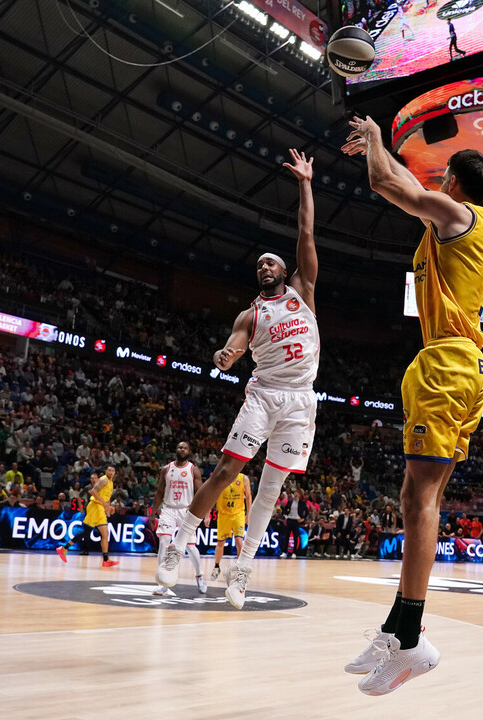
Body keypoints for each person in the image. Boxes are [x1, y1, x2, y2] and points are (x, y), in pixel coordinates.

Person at [342, 116, 483, 694]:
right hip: (448, 364)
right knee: (414, 495)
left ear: (453, 181)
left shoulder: (462, 216)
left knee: (421, 496)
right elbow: (406, 182)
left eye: (442, 177)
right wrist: (387, 156)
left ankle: (411, 640)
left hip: (449, 365)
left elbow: (391, 186)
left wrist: (377, 141)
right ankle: (397, 627)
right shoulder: (448, 220)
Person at [157, 150, 321, 610]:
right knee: (228, 471)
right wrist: (226, 354)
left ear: (284, 272)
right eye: (259, 266)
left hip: (301, 401)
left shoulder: (304, 292)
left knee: (270, 492)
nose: (264, 267)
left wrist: (305, 184)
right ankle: (178, 544)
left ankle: (242, 570)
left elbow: (306, 232)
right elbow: (233, 343)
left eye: (271, 263)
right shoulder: (250, 313)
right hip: (265, 395)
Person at [153, 443, 207, 595]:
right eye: (179, 447)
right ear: (176, 450)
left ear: (189, 452)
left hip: (186, 510)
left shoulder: (193, 470)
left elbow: (202, 493)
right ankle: (162, 581)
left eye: (185, 448)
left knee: (190, 546)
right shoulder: (166, 469)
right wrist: (152, 513)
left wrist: (206, 513)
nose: (181, 449)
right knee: (163, 541)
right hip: (168, 508)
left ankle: (200, 574)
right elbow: (159, 492)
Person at [56, 467, 120, 568]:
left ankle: (106, 560)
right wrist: (104, 503)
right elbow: (93, 491)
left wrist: (108, 508)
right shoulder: (103, 480)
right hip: (94, 506)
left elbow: (106, 498)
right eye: (109, 470)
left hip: (100, 508)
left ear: (115, 473)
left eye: (113, 471)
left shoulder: (111, 483)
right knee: (87, 532)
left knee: (105, 534)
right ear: (106, 471)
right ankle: (64, 548)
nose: (111, 472)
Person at [211, 471, 252, 580]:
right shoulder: (221, 476)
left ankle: (240, 569)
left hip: (238, 513)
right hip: (224, 514)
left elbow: (248, 496)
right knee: (221, 542)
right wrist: (207, 514)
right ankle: (216, 566)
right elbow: (212, 496)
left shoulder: (243, 478)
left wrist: (249, 513)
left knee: (239, 541)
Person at [278, 489, 309, 558]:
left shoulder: (301, 503)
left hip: (296, 520)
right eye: (295, 493)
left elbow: (306, 511)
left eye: (297, 493)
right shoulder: (290, 501)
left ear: (299, 495)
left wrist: (303, 518)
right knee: (287, 536)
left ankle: (294, 553)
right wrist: (286, 516)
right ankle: (284, 552)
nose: (295, 495)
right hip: (290, 520)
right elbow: (285, 510)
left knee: (295, 537)